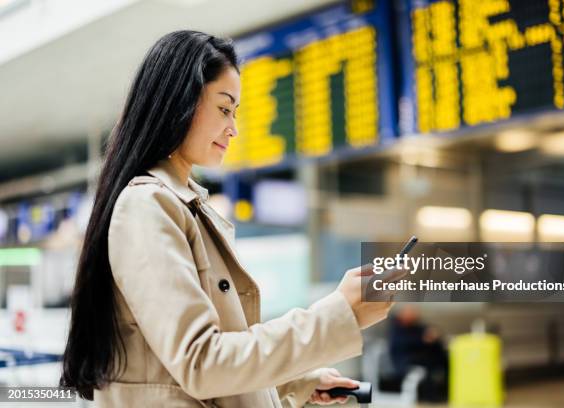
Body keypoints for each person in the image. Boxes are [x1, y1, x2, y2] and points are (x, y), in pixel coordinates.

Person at [60, 30, 394, 407]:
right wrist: (336, 314)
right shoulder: (148, 207)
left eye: (235, 112)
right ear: (178, 102)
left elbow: (187, 377)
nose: (233, 128)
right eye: (224, 108)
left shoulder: (183, 206)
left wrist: (294, 385)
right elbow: (201, 364)